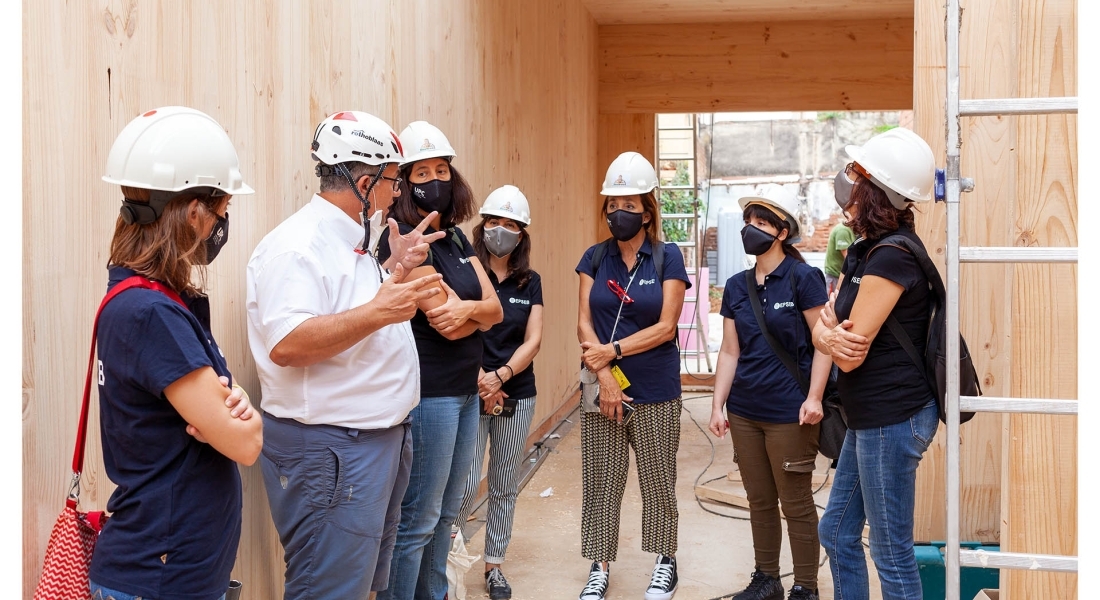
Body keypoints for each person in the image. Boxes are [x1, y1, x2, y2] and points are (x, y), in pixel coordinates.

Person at [246, 110, 445, 600]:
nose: (396, 193)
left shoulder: (352, 243)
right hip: (332, 451)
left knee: (357, 588)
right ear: (363, 181)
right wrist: (380, 311)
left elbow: (343, 313)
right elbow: (289, 343)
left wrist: (392, 268)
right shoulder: (297, 248)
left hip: (369, 445)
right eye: (392, 182)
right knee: (328, 589)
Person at [91, 106, 263, 600]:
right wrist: (243, 416)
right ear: (194, 212)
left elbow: (226, 414)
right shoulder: (150, 314)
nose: (220, 227)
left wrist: (236, 403)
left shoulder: (145, 299)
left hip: (165, 573)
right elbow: (245, 444)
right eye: (222, 213)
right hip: (157, 578)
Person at [377, 120, 504, 600]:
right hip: (430, 394)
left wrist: (472, 311)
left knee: (448, 515)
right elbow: (442, 320)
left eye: (442, 170)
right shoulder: (409, 240)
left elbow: (489, 310)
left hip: (466, 391)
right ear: (405, 182)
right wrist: (477, 313)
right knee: (419, 518)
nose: (434, 180)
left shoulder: (454, 238)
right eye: (421, 172)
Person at [812, 127, 940, 600]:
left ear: (873, 189)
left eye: (856, 172)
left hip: (892, 418)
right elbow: (827, 334)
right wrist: (827, 334)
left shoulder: (891, 257)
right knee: (838, 532)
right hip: (871, 419)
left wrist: (827, 334)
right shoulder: (865, 249)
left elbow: (848, 349)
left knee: (890, 552)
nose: (848, 180)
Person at [575, 151, 691, 600]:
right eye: (612, 204)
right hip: (600, 387)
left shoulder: (667, 258)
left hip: (656, 389)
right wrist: (604, 373)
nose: (618, 212)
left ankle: (665, 562)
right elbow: (583, 322)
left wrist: (614, 350)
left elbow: (665, 327)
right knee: (601, 479)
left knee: (658, 480)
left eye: (628, 205)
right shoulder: (594, 257)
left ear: (647, 210)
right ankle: (599, 567)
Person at [707, 184, 831, 600]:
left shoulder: (803, 278)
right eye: (749, 221)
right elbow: (729, 350)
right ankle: (766, 580)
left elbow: (823, 342)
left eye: (761, 223)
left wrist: (814, 397)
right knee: (759, 499)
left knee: (794, 502)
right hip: (744, 411)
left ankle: (806, 588)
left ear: (782, 232)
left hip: (789, 413)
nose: (751, 229)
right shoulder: (737, 286)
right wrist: (718, 404)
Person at [453, 185, 544, 600]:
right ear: (482, 225)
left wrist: (501, 377)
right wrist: (481, 379)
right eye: (494, 222)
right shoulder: (466, 272)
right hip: (469, 389)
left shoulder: (531, 282)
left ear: (522, 234)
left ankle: (494, 566)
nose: (501, 231)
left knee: (505, 482)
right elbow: (453, 331)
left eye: (511, 225)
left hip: (516, 392)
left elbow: (533, 340)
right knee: (464, 482)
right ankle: (448, 561)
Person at [823, 221, 854, 295]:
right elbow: (849, 259)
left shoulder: (852, 230)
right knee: (834, 302)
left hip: (843, 275)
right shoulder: (843, 231)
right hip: (835, 275)